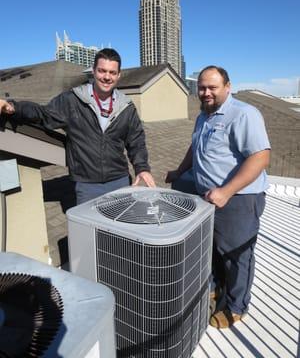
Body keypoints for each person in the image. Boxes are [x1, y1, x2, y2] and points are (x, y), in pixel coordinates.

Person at [166, 66, 270, 328]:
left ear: (227, 87)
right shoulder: (204, 115)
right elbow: (196, 146)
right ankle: (215, 286)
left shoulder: (244, 114)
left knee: (236, 255)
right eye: (202, 87)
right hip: (209, 197)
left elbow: (260, 157)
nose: (206, 92)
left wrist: (226, 191)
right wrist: (180, 171)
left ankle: (236, 306)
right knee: (212, 247)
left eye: (212, 87)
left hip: (239, 199)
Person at [0, 48, 155, 204]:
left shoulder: (126, 107)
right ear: (93, 71)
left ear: (118, 75)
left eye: (112, 72)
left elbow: (136, 141)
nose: (107, 77)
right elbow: (44, 114)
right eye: (102, 71)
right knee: (88, 227)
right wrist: (13, 107)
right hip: (87, 185)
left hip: (120, 180)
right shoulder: (72, 100)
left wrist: (142, 168)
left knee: (119, 226)